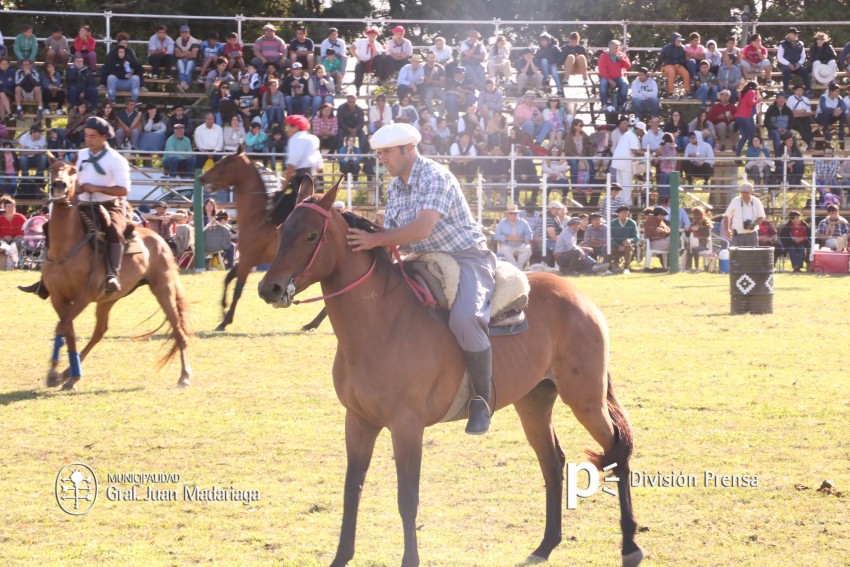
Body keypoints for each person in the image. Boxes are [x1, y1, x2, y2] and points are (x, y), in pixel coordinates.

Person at [347, 122, 496, 434]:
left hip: (465, 256)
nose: (382, 158)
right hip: (423, 257)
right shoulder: (395, 185)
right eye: (379, 153)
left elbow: (421, 228)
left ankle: (482, 399)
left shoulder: (435, 176)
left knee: (466, 318)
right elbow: (394, 234)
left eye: (386, 152)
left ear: (408, 149)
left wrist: (375, 240)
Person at [76, 117, 131, 292]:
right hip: (81, 203)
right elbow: (75, 175)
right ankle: (46, 277)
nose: (88, 140)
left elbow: (124, 190)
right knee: (53, 224)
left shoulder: (116, 159)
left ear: (104, 137)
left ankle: (112, 275)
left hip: (108, 205)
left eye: (93, 136)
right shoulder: (82, 154)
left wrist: (96, 188)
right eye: (86, 136)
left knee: (114, 231)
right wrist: (75, 187)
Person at [283, 114, 321, 193]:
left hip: (301, 180)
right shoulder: (314, 138)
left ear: (296, 127)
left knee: (281, 203)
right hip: (314, 179)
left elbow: (292, 164)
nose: (287, 130)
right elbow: (319, 166)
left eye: (288, 127)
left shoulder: (295, 139)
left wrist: (284, 185)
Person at [610, 121, 645, 204]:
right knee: (627, 184)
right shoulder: (632, 136)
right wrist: (646, 154)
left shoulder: (627, 134)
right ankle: (627, 203)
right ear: (639, 130)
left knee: (620, 184)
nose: (642, 134)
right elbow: (634, 151)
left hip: (617, 163)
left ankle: (620, 203)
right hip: (625, 163)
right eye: (642, 131)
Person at [723, 181, 765, 247]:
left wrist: (753, 225)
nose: (744, 194)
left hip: (752, 235)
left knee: (752, 256)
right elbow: (727, 216)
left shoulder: (757, 201)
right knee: (736, 256)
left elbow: (761, 216)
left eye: (746, 192)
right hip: (737, 235)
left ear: (751, 192)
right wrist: (727, 230)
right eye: (742, 192)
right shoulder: (735, 201)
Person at [493, 204, 533, 268]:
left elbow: (530, 235)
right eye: (511, 213)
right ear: (507, 214)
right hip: (507, 245)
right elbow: (496, 236)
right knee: (503, 249)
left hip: (521, 245)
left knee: (528, 250)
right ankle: (516, 268)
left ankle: (519, 267)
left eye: (515, 213)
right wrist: (507, 237)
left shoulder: (524, 222)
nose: (513, 215)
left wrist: (521, 238)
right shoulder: (502, 223)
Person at [597, 39, 630, 112]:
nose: (617, 49)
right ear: (610, 47)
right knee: (603, 84)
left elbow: (628, 67)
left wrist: (622, 60)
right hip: (606, 77)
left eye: (618, 47)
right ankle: (604, 104)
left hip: (619, 77)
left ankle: (622, 104)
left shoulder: (621, 55)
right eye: (615, 48)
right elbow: (602, 70)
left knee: (625, 83)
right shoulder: (603, 56)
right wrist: (609, 80)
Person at [351, 27, 385, 96]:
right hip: (362, 61)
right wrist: (357, 59)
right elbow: (352, 48)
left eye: (374, 35)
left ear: (376, 36)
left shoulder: (377, 44)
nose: (372, 36)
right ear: (368, 35)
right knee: (358, 70)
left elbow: (377, 55)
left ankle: (378, 78)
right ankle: (357, 89)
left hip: (372, 62)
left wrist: (373, 45)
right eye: (371, 35)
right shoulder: (362, 41)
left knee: (380, 58)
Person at [776, 27, 810, 95]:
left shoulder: (800, 44)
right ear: (789, 34)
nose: (796, 35)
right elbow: (779, 57)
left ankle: (808, 90)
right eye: (794, 34)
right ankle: (785, 91)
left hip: (797, 65)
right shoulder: (782, 44)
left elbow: (803, 56)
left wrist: (799, 63)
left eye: (797, 34)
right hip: (786, 66)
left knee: (805, 70)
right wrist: (788, 64)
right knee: (786, 71)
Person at [609, 205, 638, 273]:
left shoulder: (632, 223)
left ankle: (626, 268)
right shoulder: (613, 223)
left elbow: (636, 237)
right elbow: (609, 238)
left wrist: (630, 240)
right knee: (606, 247)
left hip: (627, 245)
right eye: (621, 212)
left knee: (627, 246)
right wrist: (618, 245)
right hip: (614, 245)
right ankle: (608, 267)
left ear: (628, 213)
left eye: (625, 212)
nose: (623, 214)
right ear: (618, 214)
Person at [734, 81, 760, 157]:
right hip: (746, 116)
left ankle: (737, 155)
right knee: (751, 137)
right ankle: (750, 156)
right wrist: (758, 99)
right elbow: (750, 103)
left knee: (744, 136)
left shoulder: (742, 93)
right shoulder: (752, 92)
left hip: (739, 116)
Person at [683, 206, 712, 271]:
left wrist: (699, 229)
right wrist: (687, 230)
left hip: (703, 244)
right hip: (693, 243)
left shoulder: (705, 224)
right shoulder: (693, 223)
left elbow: (706, 235)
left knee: (694, 249)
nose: (692, 216)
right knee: (688, 248)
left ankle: (697, 267)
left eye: (693, 214)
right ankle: (689, 267)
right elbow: (688, 235)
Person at [0, 194, 26, 264]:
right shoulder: (1, 218)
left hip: (17, 237)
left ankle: (16, 261)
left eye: (12, 206)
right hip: (3, 238)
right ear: (4, 208)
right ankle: (4, 262)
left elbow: (27, 227)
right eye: (8, 206)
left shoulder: (21, 217)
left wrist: (21, 235)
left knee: (19, 241)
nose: (10, 208)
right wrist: (4, 236)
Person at [173, 25, 200, 92]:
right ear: (180, 33)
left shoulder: (194, 41)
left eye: (186, 32)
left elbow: (194, 55)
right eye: (182, 32)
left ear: (189, 32)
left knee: (187, 71)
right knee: (182, 70)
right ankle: (184, 85)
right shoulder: (178, 41)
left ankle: (183, 85)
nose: (184, 33)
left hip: (191, 60)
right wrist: (188, 52)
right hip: (181, 60)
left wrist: (182, 53)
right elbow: (177, 54)